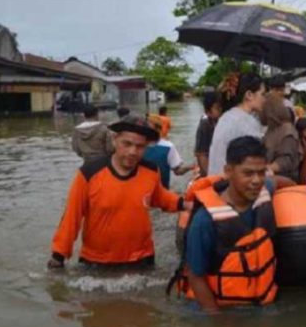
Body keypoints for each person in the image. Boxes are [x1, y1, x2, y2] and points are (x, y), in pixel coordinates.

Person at [47, 115, 186, 269]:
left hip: (142, 257)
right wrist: (58, 256)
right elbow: (72, 216)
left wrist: (185, 203)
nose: (133, 151)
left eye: (140, 146)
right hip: (97, 261)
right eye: (127, 144)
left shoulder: (151, 171)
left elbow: (160, 197)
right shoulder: (88, 173)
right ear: (114, 140)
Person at [179, 136, 278, 312]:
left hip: (260, 300)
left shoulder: (264, 191)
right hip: (221, 307)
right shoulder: (205, 220)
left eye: (261, 172)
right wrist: (217, 322)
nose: (256, 180)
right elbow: (195, 276)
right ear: (229, 171)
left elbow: (276, 182)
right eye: (248, 173)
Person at [207, 72, 266, 177]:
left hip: (215, 181)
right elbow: (255, 160)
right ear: (249, 95)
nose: (264, 99)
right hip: (228, 183)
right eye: (262, 94)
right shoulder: (247, 121)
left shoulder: (227, 116)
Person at [143, 120, 195, 189]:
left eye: (150, 129)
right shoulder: (139, 144)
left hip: (161, 190)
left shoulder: (168, 146)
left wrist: (190, 167)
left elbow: (177, 171)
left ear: (158, 130)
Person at [262, 93, 302, 182]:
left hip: (285, 180)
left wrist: (267, 168)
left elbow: (286, 161)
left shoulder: (287, 131)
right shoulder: (272, 129)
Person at [194, 91, 222, 177]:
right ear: (208, 111)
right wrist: (208, 177)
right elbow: (201, 154)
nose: (221, 111)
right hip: (211, 169)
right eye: (217, 108)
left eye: (222, 108)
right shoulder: (205, 124)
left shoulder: (221, 121)